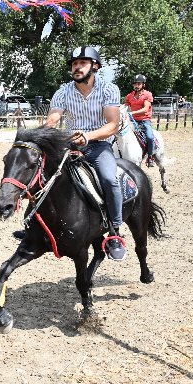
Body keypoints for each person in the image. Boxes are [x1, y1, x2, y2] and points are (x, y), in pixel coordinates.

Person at [45, 46, 126, 261]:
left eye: (82, 63)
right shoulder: (62, 92)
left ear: (95, 66)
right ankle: (35, 226)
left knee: (110, 180)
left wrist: (88, 136)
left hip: (98, 145)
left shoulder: (109, 89)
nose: (77, 67)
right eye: (74, 64)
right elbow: (53, 119)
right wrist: (44, 134)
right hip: (69, 146)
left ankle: (115, 231)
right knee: (42, 174)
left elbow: (113, 125)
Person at [125, 74, 156, 167]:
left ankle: (150, 157)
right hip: (132, 121)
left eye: (139, 84)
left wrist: (131, 113)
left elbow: (146, 109)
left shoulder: (147, 94)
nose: (136, 86)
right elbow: (125, 107)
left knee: (150, 137)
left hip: (144, 120)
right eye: (135, 84)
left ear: (143, 85)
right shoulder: (129, 96)